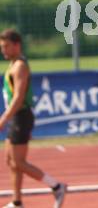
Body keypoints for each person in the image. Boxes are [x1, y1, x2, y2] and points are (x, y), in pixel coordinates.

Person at [0, 29, 67, 208]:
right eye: (2, 47)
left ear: (17, 45)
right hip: (17, 116)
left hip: (20, 116)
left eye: (6, 46)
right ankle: (16, 201)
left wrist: (4, 119)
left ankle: (56, 186)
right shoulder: (13, 64)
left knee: (18, 162)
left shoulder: (20, 65)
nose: (3, 50)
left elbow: (19, 97)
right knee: (11, 161)